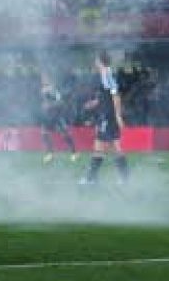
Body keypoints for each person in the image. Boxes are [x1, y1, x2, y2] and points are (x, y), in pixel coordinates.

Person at [80, 52, 129, 185]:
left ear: (100, 61)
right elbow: (107, 95)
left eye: (96, 60)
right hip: (107, 115)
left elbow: (115, 95)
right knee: (115, 147)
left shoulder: (106, 73)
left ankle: (91, 178)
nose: (95, 62)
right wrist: (95, 103)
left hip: (108, 117)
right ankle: (124, 178)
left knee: (99, 146)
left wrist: (118, 115)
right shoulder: (105, 74)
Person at [39, 74, 78, 164]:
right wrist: (44, 106)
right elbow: (45, 103)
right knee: (44, 133)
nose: (43, 80)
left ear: (49, 79)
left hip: (56, 115)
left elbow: (60, 102)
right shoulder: (43, 90)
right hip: (48, 116)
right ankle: (50, 153)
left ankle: (74, 153)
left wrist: (50, 105)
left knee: (64, 134)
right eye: (42, 78)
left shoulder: (53, 90)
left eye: (45, 78)